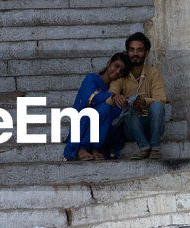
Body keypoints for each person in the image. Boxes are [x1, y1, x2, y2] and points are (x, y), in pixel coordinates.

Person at [110, 31, 169, 159]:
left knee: (157, 106)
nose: (135, 54)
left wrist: (144, 101)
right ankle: (144, 147)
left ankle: (155, 148)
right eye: (132, 50)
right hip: (132, 128)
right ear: (127, 52)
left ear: (146, 53)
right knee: (128, 109)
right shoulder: (123, 73)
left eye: (139, 50)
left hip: (153, 125)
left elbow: (161, 99)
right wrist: (116, 96)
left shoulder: (153, 73)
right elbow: (112, 90)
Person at [63, 53, 129, 161]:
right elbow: (90, 98)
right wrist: (110, 98)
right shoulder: (91, 78)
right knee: (104, 107)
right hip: (82, 123)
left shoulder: (114, 90)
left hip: (101, 130)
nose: (117, 72)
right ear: (109, 63)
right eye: (116, 66)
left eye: (121, 71)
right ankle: (83, 147)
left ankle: (95, 148)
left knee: (117, 109)